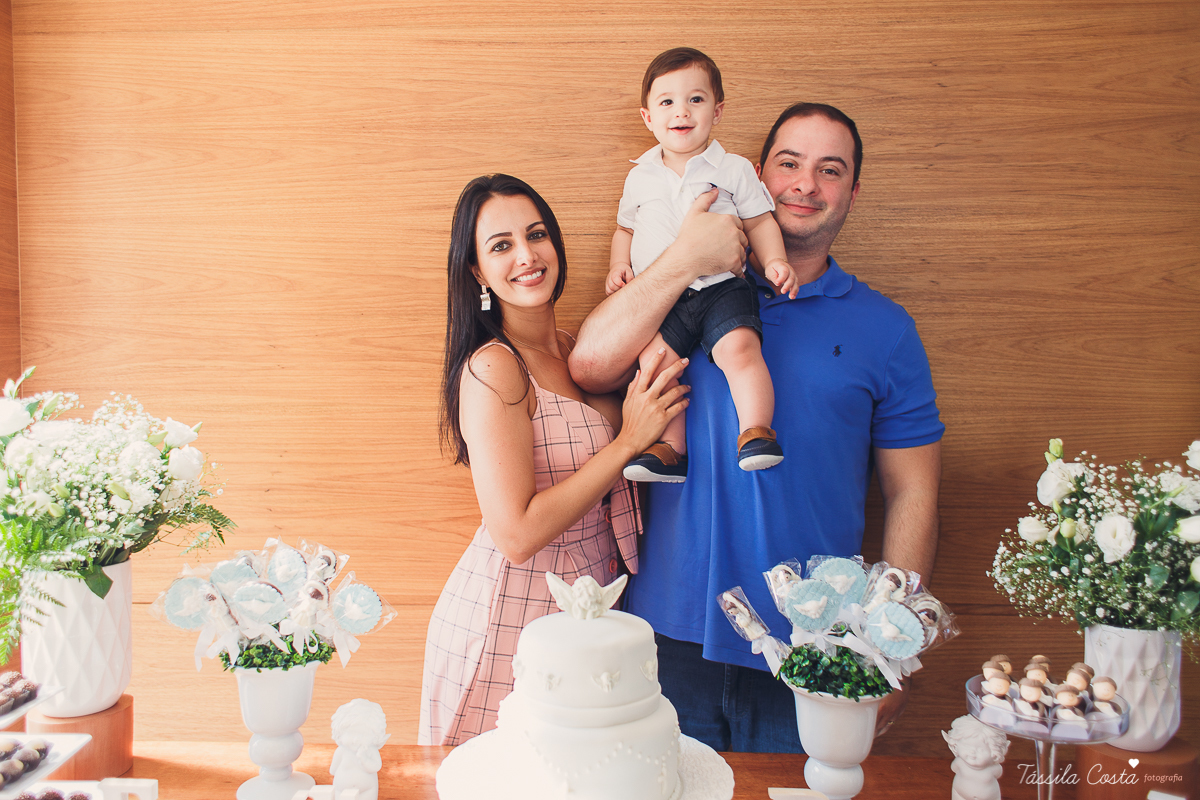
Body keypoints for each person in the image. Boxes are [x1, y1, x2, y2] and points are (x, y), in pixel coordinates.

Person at [570, 104, 944, 752]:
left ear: (852, 193)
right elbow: (593, 362)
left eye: (831, 171)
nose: (807, 184)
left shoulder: (886, 330)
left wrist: (893, 639)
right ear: (756, 178)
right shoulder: (690, 295)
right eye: (790, 164)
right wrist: (686, 258)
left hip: (817, 649)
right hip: (664, 641)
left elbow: (914, 492)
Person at [418, 174, 690, 746]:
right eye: (501, 245)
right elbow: (515, 534)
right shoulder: (494, 367)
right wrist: (626, 443)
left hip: (592, 612)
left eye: (536, 234)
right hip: (510, 615)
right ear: (476, 271)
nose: (526, 255)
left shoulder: (579, 348)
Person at [610, 48, 798, 483]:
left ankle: (756, 431)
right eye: (667, 102)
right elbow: (625, 229)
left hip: (719, 287)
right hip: (662, 295)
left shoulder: (731, 169)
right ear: (647, 117)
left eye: (696, 99)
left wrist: (774, 260)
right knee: (657, 364)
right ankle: (671, 449)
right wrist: (618, 265)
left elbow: (759, 220)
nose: (681, 111)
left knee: (740, 349)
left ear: (718, 110)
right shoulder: (639, 177)